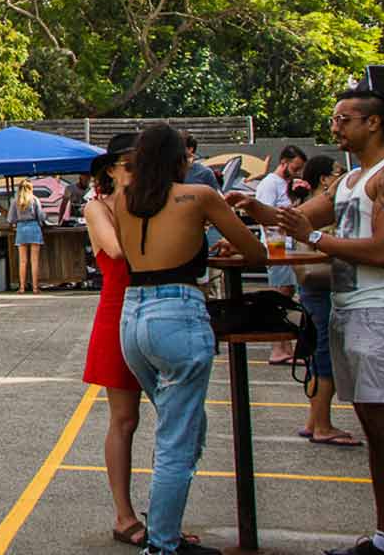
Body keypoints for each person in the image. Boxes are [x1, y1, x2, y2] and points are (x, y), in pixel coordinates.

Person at [247, 90, 384, 555]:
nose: (335, 128)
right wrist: (250, 208)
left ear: (373, 123)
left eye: (344, 119)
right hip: (351, 308)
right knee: (373, 428)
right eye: (333, 119)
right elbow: (294, 219)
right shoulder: (350, 180)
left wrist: (315, 239)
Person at [118, 123, 264, 555]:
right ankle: (162, 544)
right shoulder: (198, 196)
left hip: (133, 316)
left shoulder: (122, 201)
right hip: (178, 312)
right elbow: (254, 253)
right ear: (182, 158)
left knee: (182, 429)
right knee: (177, 441)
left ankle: (164, 532)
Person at [81, 133, 151, 547]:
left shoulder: (157, 205)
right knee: (125, 419)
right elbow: (119, 251)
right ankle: (123, 514)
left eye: (144, 163)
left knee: (176, 420)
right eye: (129, 164)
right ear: (111, 170)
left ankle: (164, 509)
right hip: (118, 311)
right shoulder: (98, 207)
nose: (137, 171)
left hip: (159, 308)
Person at [288, 154, 359, 447]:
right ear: (324, 180)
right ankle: (323, 425)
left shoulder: (300, 208)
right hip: (322, 287)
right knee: (324, 357)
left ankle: (314, 420)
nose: (341, 178)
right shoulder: (321, 211)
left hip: (312, 288)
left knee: (317, 355)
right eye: (336, 173)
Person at [253, 144, 307, 363]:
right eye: (295, 167)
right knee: (279, 295)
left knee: (286, 293)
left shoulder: (286, 185)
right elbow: (264, 216)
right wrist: (276, 248)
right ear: (283, 163)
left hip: (288, 246)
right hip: (277, 247)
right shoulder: (270, 184)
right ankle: (278, 347)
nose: (298, 172)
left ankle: (285, 347)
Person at [11, 184, 46, 293]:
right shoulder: (35, 199)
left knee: (22, 261)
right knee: (34, 261)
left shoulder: (15, 201)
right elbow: (41, 216)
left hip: (21, 229)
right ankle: (35, 288)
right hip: (34, 227)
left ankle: (22, 287)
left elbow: (11, 218)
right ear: (30, 188)